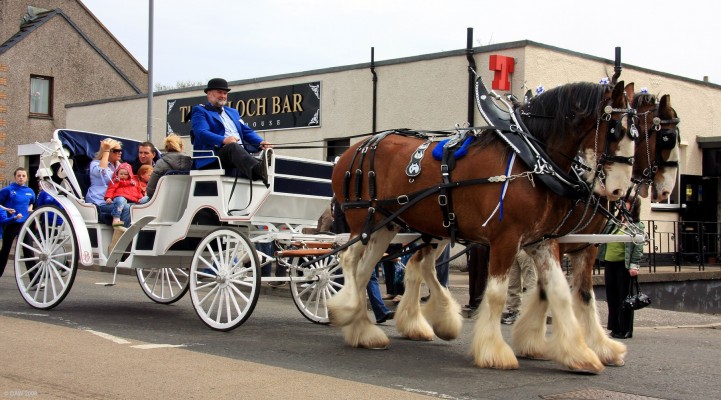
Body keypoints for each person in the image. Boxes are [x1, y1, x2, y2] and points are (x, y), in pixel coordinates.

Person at [190, 78, 271, 185]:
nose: (223, 96)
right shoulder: (200, 111)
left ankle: (262, 170)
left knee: (269, 156)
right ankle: (257, 170)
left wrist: (260, 142)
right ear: (209, 93)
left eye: (225, 93)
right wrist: (224, 140)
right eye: (219, 92)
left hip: (237, 155)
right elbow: (201, 133)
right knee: (233, 147)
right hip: (215, 156)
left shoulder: (232, 112)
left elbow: (246, 131)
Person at [599, 198, 645, 339]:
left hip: (623, 265)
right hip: (610, 262)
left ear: (633, 206)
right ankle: (615, 328)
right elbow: (603, 236)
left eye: (626, 203)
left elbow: (638, 247)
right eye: (622, 203)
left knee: (624, 298)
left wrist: (634, 265)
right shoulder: (615, 223)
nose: (622, 205)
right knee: (611, 297)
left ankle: (626, 329)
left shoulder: (637, 225)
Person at [87, 138, 131, 228]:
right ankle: (120, 234)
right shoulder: (95, 164)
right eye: (116, 151)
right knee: (126, 208)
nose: (120, 153)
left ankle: (121, 232)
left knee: (133, 207)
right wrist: (106, 150)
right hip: (99, 201)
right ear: (108, 152)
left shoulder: (118, 166)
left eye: (120, 150)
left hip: (115, 200)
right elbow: (102, 170)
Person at [0, 167, 35, 278]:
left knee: (29, 250)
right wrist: (6, 210)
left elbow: (31, 203)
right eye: (19, 175)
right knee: (5, 251)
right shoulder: (8, 190)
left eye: (23, 176)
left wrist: (30, 209)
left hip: (25, 224)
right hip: (11, 224)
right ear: (15, 177)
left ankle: (35, 280)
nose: (21, 178)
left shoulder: (30, 191)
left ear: (27, 178)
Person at [142, 134, 192, 202]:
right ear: (182, 147)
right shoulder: (191, 163)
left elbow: (150, 190)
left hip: (163, 200)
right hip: (185, 199)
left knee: (142, 201)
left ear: (166, 147)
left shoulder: (161, 163)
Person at [500, 248, 537, 324]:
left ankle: (533, 313)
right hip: (513, 249)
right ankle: (514, 311)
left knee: (530, 283)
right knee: (513, 283)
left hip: (526, 248)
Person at [104, 162, 144, 227]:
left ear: (129, 174)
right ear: (117, 173)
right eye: (121, 174)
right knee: (120, 201)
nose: (123, 175)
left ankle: (124, 227)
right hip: (120, 196)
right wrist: (108, 197)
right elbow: (111, 189)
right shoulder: (116, 181)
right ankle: (116, 217)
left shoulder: (133, 183)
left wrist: (140, 198)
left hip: (130, 201)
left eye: (125, 174)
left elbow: (138, 191)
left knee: (128, 208)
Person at [466, 244, 489, 312]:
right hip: (474, 243)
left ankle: (478, 301)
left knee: (481, 272)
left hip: (484, 242)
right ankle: (472, 300)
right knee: (473, 271)